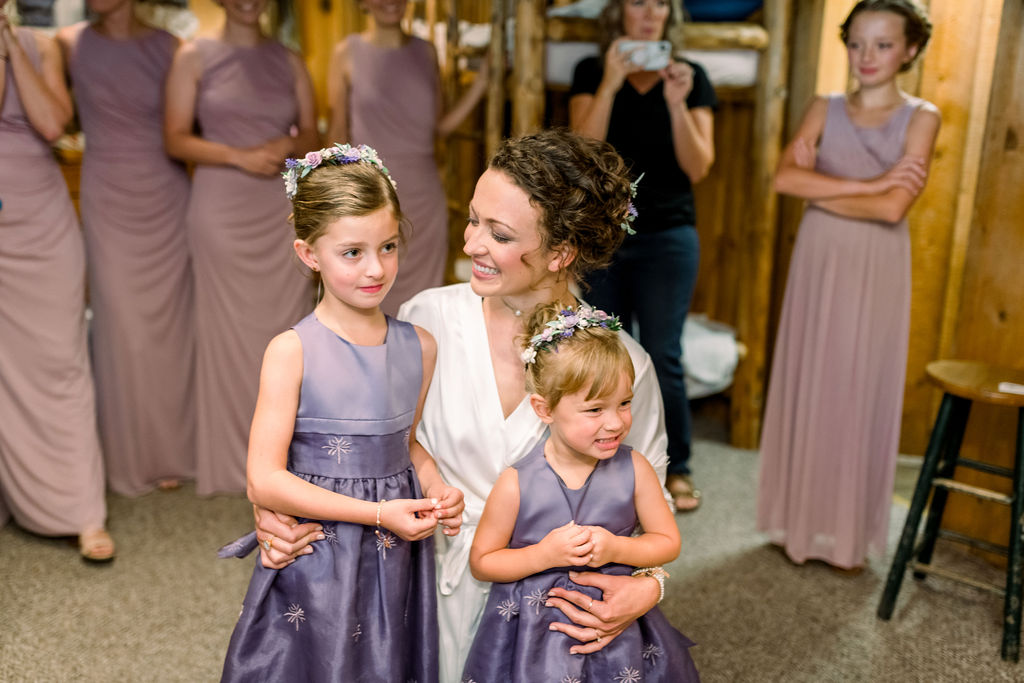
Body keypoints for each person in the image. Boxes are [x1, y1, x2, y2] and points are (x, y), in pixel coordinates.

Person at [251, 129, 674, 681]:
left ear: (560, 254)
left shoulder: (625, 366)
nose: (471, 243)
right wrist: (275, 511)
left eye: (497, 234)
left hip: (549, 622)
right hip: (411, 587)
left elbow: (652, 518)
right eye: (474, 219)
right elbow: (354, 441)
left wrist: (648, 588)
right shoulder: (426, 321)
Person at [221, 144, 464, 682]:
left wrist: (437, 486)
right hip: (321, 555)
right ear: (309, 254)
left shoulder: (419, 346)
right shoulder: (292, 351)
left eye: (389, 246)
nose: (376, 268)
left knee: (384, 659)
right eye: (352, 252)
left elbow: (404, 445)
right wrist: (379, 515)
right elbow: (263, 480)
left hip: (394, 555)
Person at [757, 0, 940, 571]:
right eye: (858, 42)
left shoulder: (922, 116)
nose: (867, 57)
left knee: (857, 384)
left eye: (883, 45)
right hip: (819, 257)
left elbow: (892, 210)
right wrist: (873, 182)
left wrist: (823, 189)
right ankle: (798, 528)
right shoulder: (823, 105)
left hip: (875, 265)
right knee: (810, 376)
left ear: (909, 50)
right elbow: (784, 178)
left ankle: (846, 538)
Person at [462, 302, 699, 682]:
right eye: (594, 409)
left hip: (618, 625)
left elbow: (667, 541)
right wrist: (543, 554)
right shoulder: (516, 482)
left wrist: (616, 548)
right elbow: (484, 561)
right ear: (544, 408)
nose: (615, 422)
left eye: (624, 403)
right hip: (531, 632)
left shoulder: (635, 469)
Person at [164, 0, 320, 495]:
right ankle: (231, 460)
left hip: (279, 211)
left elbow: (315, 135)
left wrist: (286, 148)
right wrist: (239, 154)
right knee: (223, 336)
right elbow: (175, 138)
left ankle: (279, 459)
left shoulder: (290, 59)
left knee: (283, 336)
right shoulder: (192, 55)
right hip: (221, 210)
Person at [569, 0, 716, 513]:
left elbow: (698, 166)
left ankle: (678, 468)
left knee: (663, 353)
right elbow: (583, 153)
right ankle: (604, 463)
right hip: (604, 237)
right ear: (620, 12)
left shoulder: (691, 77)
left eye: (660, 3)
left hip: (670, 236)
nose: (650, 12)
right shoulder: (592, 70)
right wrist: (610, 82)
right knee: (603, 349)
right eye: (638, 1)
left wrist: (677, 103)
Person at [57, 0, 194, 496]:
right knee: (120, 325)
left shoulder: (172, 47)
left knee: (170, 328)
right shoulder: (68, 43)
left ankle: (173, 450)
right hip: (107, 197)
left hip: (166, 196)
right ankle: (122, 451)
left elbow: (196, 123)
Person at [0, 6, 114, 562]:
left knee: (60, 360)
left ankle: (80, 511)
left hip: (39, 225)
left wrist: (9, 47)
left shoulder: (39, 44)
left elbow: (52, 123)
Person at [326, 0, 489, 315]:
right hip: (371, 197)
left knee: (423, 306)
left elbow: (438, 127)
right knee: (371, 297)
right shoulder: (346, 52)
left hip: (424, 198)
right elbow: (336, 137)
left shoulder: (426, 52)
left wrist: (481, 84)